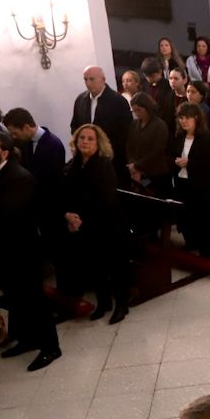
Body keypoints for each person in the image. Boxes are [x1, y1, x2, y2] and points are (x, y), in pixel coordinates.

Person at [0, 132, 61, 370]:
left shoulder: (19, 177)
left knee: (35, 299)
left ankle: (51, 347)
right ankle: (28, 339)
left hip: (23, 249)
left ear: (4, 153)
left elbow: (9, 216)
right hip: (4, 250)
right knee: (18, 298)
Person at [61, 124, 131, 322]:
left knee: (116, 266)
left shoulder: (103, 164)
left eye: (90, 139)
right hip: (83, 224)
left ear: (98, 143)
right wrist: (69, 215)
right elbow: (65, 193)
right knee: (94, 264)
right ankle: (103, 302)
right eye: (82, 137)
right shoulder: (73, 164)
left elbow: (105, 198)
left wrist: (80, 218)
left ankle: (122, 304)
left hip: (108, 223)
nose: (85, 141)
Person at [170, 102, 210, 261]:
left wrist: (189, 164)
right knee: (187, 219)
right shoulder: (179, 137)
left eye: (188, 118)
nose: (184, 121)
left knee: (205, 224)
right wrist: (175, 161)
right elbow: (171, 155)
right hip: (183, 184)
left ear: (197, 118)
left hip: (202, 188)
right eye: (181, 118)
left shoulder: (206, 138)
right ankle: (192, 245)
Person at [71, 65, 133, 179]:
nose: (88, 83)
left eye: (92, 79)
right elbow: (75, 126)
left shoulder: (118, 101)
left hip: (111, 159)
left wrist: (105, 150)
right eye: (86, 79)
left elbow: (125, 132)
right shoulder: (80, 100)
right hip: (86, 159)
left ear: (103, 79)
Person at [2, 107, 67, 198]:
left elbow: (52, 181)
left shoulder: (53, 145)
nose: (14, 137)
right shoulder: (26, 141)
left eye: (15, 133)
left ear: (26, 127)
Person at [126, 92, 172, 194]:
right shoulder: (134, 124)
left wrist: (137, 166)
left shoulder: (159, 125)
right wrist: (132, 165)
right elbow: (129, 146)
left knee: (157, 199)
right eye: (134, 110)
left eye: (139, 110)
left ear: (147, 108)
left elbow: (158, 150)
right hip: (138, 172)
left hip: (156, 173)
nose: (137, 113)